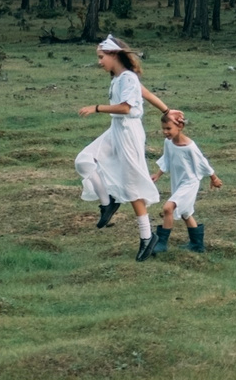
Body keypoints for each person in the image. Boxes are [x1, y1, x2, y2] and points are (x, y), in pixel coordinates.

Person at [74, 36, 177, 258]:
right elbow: (146, 93)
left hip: (129, 132)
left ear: (114, 55)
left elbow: (127, 108)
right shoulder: (120, 78)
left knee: (132, 188)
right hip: (115, 129)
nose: (99, 62)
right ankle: (107, 203)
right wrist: (167, 111)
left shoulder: (127, 78)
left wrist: (97, 108)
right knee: (83, 160)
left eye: (102, 57)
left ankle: (147, 238)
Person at [149, 108, 221, 255]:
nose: (165, 132)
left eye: (169, 128)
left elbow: (202, 163)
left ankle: (162, 243)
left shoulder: (190, 147)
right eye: (163, 129)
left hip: (190, 183)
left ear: (180, 127)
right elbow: (167, 159)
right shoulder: (168, 143)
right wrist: (158, 175)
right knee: (185, 213)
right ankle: (197, 244)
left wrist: (214, 178)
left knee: (168, 208)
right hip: (178, 181)